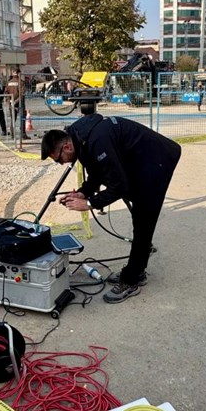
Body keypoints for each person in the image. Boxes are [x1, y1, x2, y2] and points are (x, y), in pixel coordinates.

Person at [41, 114, 182, 303]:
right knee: (140, 214)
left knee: (143, 219)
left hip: (157, 160)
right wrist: (83, 193)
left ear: (66, 147)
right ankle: (136, 270)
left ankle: (132, 279)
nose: (62, 163)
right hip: (140, 161)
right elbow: (97, 173)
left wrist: (89, 204)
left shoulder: (97, 140)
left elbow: (119, 186)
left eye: (59, 159)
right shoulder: (81, 139)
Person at [4, 67, 26, 149]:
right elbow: (22, 94)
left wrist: (9, 101)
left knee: (13, 119)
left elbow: (6, 92)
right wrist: (15, 101)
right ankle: (23, 134)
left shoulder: (9, 82)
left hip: (11, 104)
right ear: (19, 73)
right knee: (22, 118)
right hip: (19, 104)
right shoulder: (21, 82)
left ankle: (12, 135)